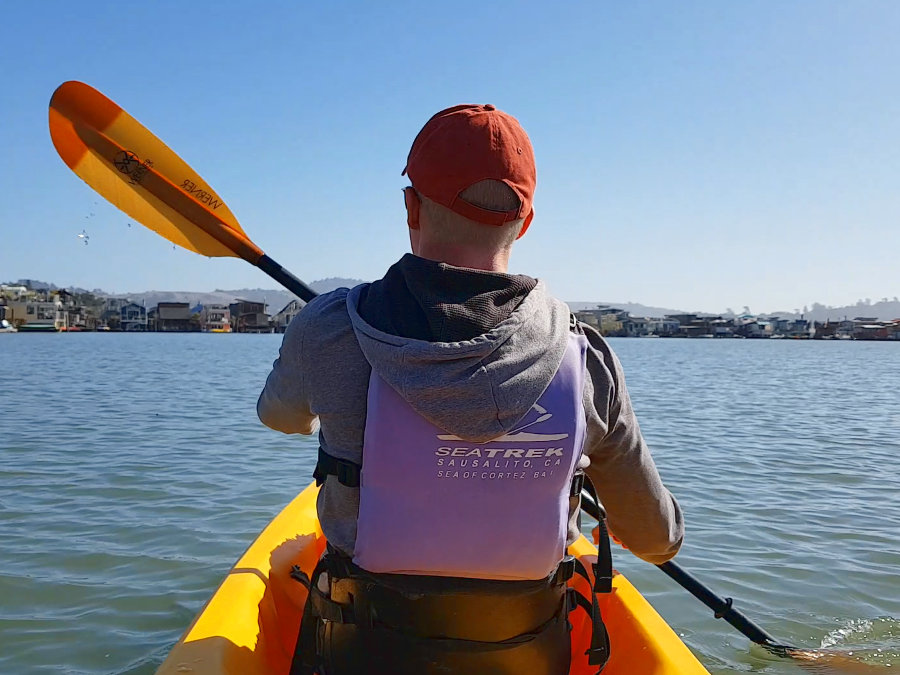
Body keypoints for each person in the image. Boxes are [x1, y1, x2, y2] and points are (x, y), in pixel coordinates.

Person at [257, 103, 683, 675]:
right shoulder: (588, 359)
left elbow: (278, 416)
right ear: (525, 221)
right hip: (526, 652)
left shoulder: (330, 328)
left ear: (411, 205)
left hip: (362, 649)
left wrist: (328, 399)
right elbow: (656, 540)